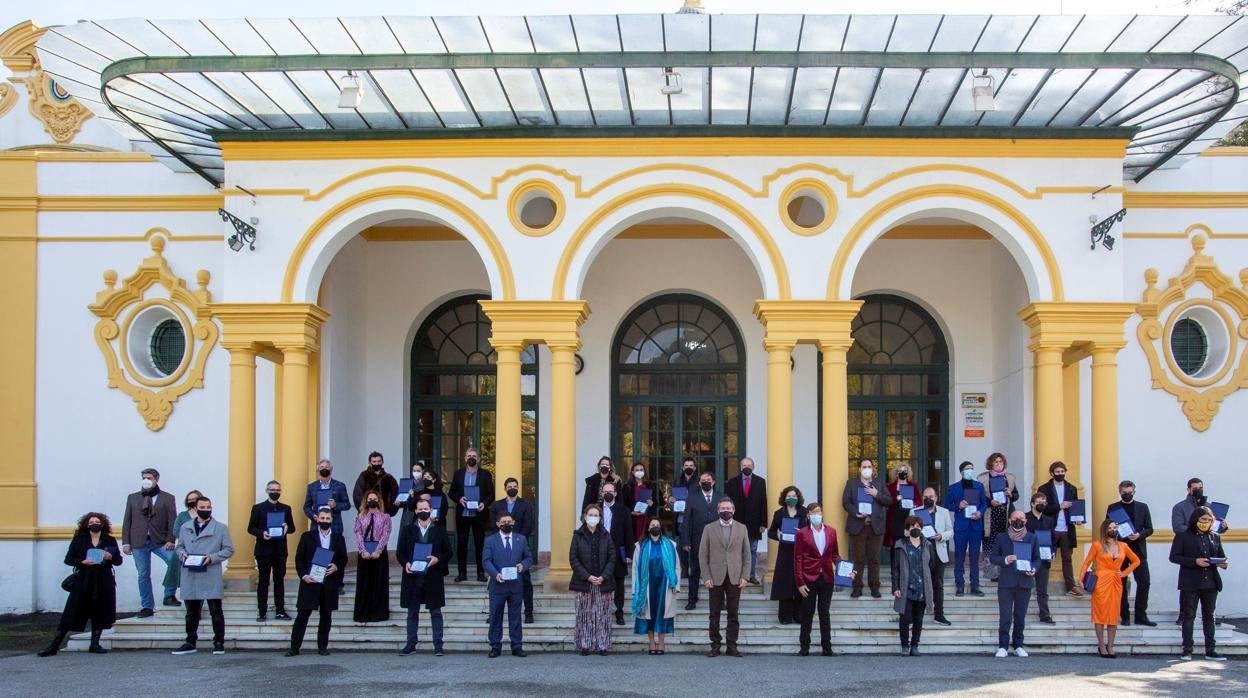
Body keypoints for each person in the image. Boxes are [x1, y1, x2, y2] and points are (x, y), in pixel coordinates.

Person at [37, 512, 123, 656]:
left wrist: (110, 557)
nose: (94, 524)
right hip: (84, 579)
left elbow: (118, 561)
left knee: (99, 611)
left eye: (96, 521)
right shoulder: (79, 539)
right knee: (72, 611)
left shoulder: (109, 540)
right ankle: (54, 646)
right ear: (86, 525)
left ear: (102, 524)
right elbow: (68, 559)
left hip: (103, 579)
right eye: (90, 522)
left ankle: (95, 644)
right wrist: (82, 562)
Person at [172, 496, 234, 655]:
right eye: (203, 507)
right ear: (196, 507)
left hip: (210, 573)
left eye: (208, 507)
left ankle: (219, 642)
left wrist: (211, 558)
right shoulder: (185, 527)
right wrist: (183, 555)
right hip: (190, 573)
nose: (206, 510)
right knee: (191, 611)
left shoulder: (220, 528)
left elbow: (228, 550)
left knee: (216, 610)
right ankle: (190, 641)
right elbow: (179, 547)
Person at [1170, 506, 1230, 661]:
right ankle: (1187, 649)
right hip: (1190, 582)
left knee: (1209, 616)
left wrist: (1223, 563)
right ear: (1196, 519)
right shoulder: (1183, 536)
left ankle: (1210, 650)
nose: (1206, 523)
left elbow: (1221, 556)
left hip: (1210, 582)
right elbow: (1174, 557)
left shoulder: (1215, 536)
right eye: (1204, 520)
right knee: (1189, 615)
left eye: (1209, 520)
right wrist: (1194, 561)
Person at [286, 507, 347, 657]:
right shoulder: (307, 536)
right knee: (302, 615)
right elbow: (299, 558)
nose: (325, 521)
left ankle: (322, 647)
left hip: (329, 582)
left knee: (326, 616)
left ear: (332, 520)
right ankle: (294, 647)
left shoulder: (339, 538)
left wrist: (336, 566)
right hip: (310, 581)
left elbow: (343, 557)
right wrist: (304, 575)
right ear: (317, 519)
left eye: (328, 518)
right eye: (322, 518)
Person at [1079, 518, 1141, 658]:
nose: (1113, 530)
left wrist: (1124, 573)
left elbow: (1137, 561)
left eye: (1115, 527)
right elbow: (1086, 563)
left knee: (1113, 616)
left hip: (1116, 581)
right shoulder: (1097, 545)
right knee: (1100, 615)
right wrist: (1081, 579)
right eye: (1111, 527)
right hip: (1101, 582)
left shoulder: (1123, 546)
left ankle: (1111, 646)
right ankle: (1101, 646)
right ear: (1105, 530)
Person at [397, 498, 452, 656]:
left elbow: (448, 552)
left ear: (430, 510)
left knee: (435, 612)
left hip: (433, 576)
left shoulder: (439, 530)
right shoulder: (408, 530)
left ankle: (438, 645)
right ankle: (411, 644)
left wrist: (438, 559)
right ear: (415, 511)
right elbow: (400, 552)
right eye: (420, 509)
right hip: (412, 576)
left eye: (426, 509)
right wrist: (405, 563)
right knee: (412, 612)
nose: (423, 512)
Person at [121, 467, 178, 616]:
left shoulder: (167, 497)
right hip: (139, 541)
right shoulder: (133, 497)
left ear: (156, 479)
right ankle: (147, 606)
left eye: (149, 478)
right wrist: (126, 542)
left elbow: (172, 520)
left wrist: (171, 539)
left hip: (160, 540)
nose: (146, 480)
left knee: (174, 562)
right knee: (143, 574)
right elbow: (127, 520)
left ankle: (169, 595)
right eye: (144, 478)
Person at [699, 497, 751, 658]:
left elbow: (747, 554)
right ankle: (715, 645)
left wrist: (745, 576)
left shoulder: (742, 528)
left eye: (728, 508)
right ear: (718, 510)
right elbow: (702, 554)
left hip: (735, 576)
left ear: (734, 510)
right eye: (722, 508)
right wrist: (706, 576)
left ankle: (732, 646)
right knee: (714, 613)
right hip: (714, 577)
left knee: (733, 613)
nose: (726, 511)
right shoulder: (709, 528)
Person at [792, 502, 843, 657]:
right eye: (813, 512)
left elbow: (835, 555)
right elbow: (798, 559)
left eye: (819, 512)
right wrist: (800, 583)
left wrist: (845, 571)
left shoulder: (832, 532)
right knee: (807, 612)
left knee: (824, 612)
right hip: (809, 577)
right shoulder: (802, 533)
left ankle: (827, 647)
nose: (817, 515)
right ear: (808, 515)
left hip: (827, 577)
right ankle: (804, 646)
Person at [988, 510, 1040, 658]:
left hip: (1025, 581)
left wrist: (1034, 569)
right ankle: (1003, 646)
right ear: (1010, 520)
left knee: (1020, 616)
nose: (1019, 520)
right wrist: (1005, 560)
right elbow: (993, 557)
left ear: (1026, 521)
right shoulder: (1001, 537)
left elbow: (1037, 559)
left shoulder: (1032, 538)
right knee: (1005, 616)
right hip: (1006, 582)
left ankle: (1018, 645)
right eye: (1016, 518)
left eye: (1022, 518)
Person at [482, 511, 532, 658]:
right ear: (498, 524)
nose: (506, 524)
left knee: (515, 617)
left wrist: (523, 566)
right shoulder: (490, 540)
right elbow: (486, 561)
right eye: (503, 522)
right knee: (495, 616)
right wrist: (495, 574)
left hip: (516, 585)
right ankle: (495, 646)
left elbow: (529, 557)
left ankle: (516, 646)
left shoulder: (521, 539)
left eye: (509, 521)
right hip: (497, 585)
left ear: (514, 522)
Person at [841, 458, 892, 598]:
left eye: (869, 466)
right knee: (858, 558)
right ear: (859, 469)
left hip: (875, 526)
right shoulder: (851, 483)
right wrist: (855, 512)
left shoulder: (879, 483)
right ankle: (857, 587)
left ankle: (874, 586)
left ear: (872, 468)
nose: (867, 468)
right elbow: (846, 502)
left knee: (874, 558)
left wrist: (876, 494)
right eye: (864, 466)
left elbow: (889, 500)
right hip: (859, 526)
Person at [569, 504, 615, 656]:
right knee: (584, 614)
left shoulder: (606, 535)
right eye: (591, 515)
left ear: (600, 518)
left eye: (596, 515)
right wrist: (587, 576)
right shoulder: (578, 535)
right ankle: (585, 644)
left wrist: (603, 576)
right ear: (585, 516)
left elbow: (612, 557)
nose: (593, 518)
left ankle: (603, 645)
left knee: (603, 615)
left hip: (603, 582)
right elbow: (573, 559)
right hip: (583, 582)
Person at [489, 477, 535, 623]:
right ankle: (493, 614)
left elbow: (528, 525)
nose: (513, 488)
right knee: (496, 581)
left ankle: (528, 612)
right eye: (510, 486)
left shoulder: (526, 504)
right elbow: (492, 525)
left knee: (525, 581)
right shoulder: (497, 505)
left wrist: (517, 540)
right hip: (500, 548)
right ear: (505, 488)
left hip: (519, 547)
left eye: (515, 486)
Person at [1110, 480, 1156, 626]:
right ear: (1119, 492)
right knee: (1121, 582)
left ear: (1134, 492)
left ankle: (1141, 615)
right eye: (1124, 493)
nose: (1127, 495)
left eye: (1130, 492)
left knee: (1144, 582)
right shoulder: (1113, 508)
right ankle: (1124, 615)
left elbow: (1149, 528)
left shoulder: (1143, 507)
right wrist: (1115, 532)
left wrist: (1140, 535)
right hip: (1121, 549)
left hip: (1138, 549)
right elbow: (1108, 528)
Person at [247, 480, 294, 622]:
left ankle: (280, 610)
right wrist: (262, 534)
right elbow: (250, 528)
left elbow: (292, 528)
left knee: (279, 580)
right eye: (272, 489)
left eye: (278, 490)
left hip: (280, 550)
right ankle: (262, 611)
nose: (275, 492)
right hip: (263, 550)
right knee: (263, 581)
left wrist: (286, 527)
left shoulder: (286, 508)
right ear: (267, 490)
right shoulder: (258, 508)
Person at [633, 517, 680, 656]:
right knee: (649, 615)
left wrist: (675, 584)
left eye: (657, 525)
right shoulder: (640, 546)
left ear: (661, 528)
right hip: (647, 585)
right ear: (648, 528)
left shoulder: (671, 544)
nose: (655, 527)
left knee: (662, 614)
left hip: (665, 586)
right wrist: (636, 588)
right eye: (652, 525)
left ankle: (661, 643)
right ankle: (652, 642)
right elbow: (635, 568)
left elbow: (676, 566)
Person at [891, 515, 937, 656]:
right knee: (904, 618)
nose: (915, 529)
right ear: (907, 529)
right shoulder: (900, 545)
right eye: (912, 527)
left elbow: (932, 565)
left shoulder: (928, 545)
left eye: (917, 527)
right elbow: (895, 568)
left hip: (922, 588)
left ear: (921, 528)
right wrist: (896, 587)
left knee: (918, 619)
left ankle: (915, 645)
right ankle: (905, 645)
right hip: (906, 587)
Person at [450, 448, 495, 582]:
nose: (471, 458)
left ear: (478, 459)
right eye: (469, 455)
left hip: (479, 514)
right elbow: (451, 492)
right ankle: (462, 573)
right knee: (461, 544)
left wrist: (484, 504)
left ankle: (481, 573)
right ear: (465, 458)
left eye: (474, 456)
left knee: (479, 544)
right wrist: (459, 499)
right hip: (462, 514)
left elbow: (491, 494)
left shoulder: (485, 474)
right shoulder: (458, 474)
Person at [1037, 461, 1081, 597]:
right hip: (1051, 528)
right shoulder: (1044, 488)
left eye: (1062, 472)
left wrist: (1077, 518)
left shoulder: (1072, 488)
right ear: (1052, 473)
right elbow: (1042, 509)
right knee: (1046, 557)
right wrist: (1059, 506)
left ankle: (1071, 587)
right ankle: (1041, 586)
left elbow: (1076, 507)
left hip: (1067, 528)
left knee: (1067, 558)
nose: (1060, 474)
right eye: (1057, 472)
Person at [766, 486, 808, 624]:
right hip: (785, 552)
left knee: (799, 582)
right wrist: (777, 535)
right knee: (785, 583)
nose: (791, 498)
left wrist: (802, 533)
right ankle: (785, 616)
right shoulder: (779, 513)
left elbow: (811, 531)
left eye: (794, 496)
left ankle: (799, 615)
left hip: (801, 552)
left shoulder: (804, 512)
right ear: (784, 498)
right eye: (789, 496)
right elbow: (771, 532)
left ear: (798, 498)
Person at [946, 461, 987, 597]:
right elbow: (948, 505)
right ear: (962, 471)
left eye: (972, 468)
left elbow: (984, 503)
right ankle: (960, 584)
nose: (970, 471)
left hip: (975, 526)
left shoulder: (979, 486)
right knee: (959, 556)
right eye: (967, 469)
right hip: (962, 527)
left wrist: (980, 512)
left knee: (975, 557)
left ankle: (975, 584)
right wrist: (959, 505)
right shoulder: (954, 488)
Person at [724, 457, 768, 583]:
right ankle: (737, 575)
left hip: (755, 522)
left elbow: (763, 502)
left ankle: (751, 575)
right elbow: (728, 503)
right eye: (744, 465)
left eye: (749, 465)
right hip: (736, 521)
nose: (746, 467)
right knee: (736, 549)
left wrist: (763, 523)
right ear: (740, 467)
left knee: (752, 549)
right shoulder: (732, 482)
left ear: (753, 467)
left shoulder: (760, 482)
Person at [978, 452, 1019, 583]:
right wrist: (990, 501)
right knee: (989, 543)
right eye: (996, 462)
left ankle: (1004, 573)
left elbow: (1016, 496)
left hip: (1005, 514)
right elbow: (980, 497)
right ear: (991, 463)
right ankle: (991, 574)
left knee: (1005, 543)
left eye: (1001, 462)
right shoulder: (983, 478)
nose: (998, 464)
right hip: (990, 515)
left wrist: (1010, 494)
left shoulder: (1009, 478)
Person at [680, 470, 718, 611]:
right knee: (694, 572)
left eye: (708, 479)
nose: (705, 482)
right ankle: (692, 600)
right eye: (703, 480)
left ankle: (719, 600)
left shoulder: (721, 497)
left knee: (717, 573)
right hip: (697, 542)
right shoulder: (692, 497)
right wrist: (686, 541)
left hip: (717, 542)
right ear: (699, 482)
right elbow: (686, 521)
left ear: (713, 482)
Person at [353, 489, 392, 622]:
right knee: (364, 583)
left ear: (379, 501)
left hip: (379, 553)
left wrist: (378, 551)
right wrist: (362, 550)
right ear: (366, 501)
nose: (372, 501)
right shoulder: (360, 516)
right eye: (369, 499)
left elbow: (385, 534)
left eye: (375, 499)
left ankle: (378, 613)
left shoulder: (385, 517)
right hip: (364, 553)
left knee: (379, 582)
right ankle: (363, 613)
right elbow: (358, 534)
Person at [161, 490, 201, 611]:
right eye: (189, 500)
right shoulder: (182, 515)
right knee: (173, 570)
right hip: (183, 548)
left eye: (194, 499)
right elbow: (176, 530)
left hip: (199, 550)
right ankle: (169, 595)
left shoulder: (204, 513)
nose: (192, 502)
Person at [600, 480, 634, 625]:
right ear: (602, 493)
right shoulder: (595, 510)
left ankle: (619, 612)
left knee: (619, 584)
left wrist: (629, 554)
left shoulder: (623, 510)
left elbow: (629, 534)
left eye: (610, 491)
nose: (608, 494)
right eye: (605, 491)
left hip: (618, 553)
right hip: (599, 554)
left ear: (615, 493)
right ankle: (603, 612)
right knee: (602, 584)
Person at [921, 486, 954, 625]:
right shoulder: (916, 511)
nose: (928, 499)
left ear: (936, 497)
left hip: (939, 551)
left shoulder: (944, 512)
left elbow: (951, 531)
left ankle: (939, 614)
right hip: (921, 552)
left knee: (938, 585)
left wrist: (941, 536)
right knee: (920, 583)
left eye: (931, 496)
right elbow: (907, 532)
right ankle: (917, 615)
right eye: (925, 496)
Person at [1024, 491, 1057, 624]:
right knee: (1024, 587)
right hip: (1027, 557)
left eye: (1044, 503)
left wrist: (1052, 552)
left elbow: (1053, 539)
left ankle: (1044, 614)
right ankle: (1020, 613)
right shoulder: (1025, 518)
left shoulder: (1049, 520)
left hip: (1043, 559)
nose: (1042, 505)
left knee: (1042, 589)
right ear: (1032, 504)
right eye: (1039, 503)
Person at [303, 459, 352, 535]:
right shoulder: (312, 487)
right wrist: (313, 516)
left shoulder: (340, 486)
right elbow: (306, 507)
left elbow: (347, 505)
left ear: (331, 469)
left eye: (327, 467)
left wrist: (336, 505)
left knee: (335, 547)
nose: (324, 469)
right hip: (317, 525)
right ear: (318, 470)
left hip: (335, 526)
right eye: (321, 467)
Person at [670, 456, 700, 579]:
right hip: (681, 518)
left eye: (691, 466)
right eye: (686, 466)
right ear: (683, 467)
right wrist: (671, 501)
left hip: (695, 518)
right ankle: (683, 569)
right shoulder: (677, 481)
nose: (688, 468)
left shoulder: (699, 482)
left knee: (695, 545)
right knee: (683, 545)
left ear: (695, 467)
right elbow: (672, 500)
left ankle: (695, 569)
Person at [885, 463, 921, 549]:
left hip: (909, 518)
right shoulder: (891, 487)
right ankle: (895, 563)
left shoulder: (913, 486)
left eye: (905, 471)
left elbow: (919, 501)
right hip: (895, 520)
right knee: (895, 547)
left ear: (908, 473)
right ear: (896, 473)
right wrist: (896, 499)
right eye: (900, 471)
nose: (902, 473)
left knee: (909, 546)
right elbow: (886, 502)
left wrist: (914, 504)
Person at [352, 450, 399, 516]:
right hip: (367, 515)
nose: (377, 463)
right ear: (369, 463)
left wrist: (391, 510)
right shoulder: (364, 476)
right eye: (374, 461)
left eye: (379, 461)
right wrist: (365, 510)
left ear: (382, 462)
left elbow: (395, 495)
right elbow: (357, 496)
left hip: (384, 515)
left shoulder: (389, 478)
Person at [622, 462, 657, 545]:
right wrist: (631, 512)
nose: (639, 471)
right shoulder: (627, 487)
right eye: (637, 470)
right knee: (634, 543)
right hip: (633, 520)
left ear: (644, 471)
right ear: (632, 472)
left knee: (647, 542)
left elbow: (658, 502)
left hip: (647, 518)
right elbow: (623, 505)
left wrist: (652, 503)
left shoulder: (651, 485)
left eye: (641, 470)